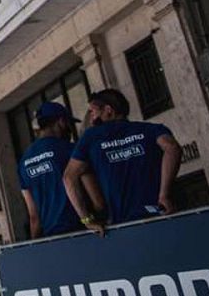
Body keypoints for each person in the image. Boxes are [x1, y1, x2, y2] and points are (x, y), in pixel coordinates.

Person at [62, 89, 180, 233]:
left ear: (108, 110)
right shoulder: (150, 129)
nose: (91, 118)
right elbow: (172, 148)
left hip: (123, 227)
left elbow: (69, 177)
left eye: (93, 112)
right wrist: (164, 195)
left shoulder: (91, 137)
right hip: (161, 216)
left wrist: (87, 220)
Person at [18, 102, 94, 238]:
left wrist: (35, 245)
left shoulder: (24, 162)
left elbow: (34, 216)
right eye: (70, 124)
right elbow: (94, 195)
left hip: (53, 239)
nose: (71, 130)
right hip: (83, 230)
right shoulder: (71, 150)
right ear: (61, 122)